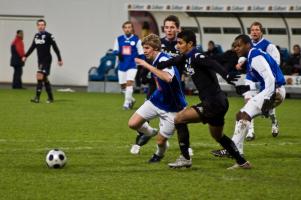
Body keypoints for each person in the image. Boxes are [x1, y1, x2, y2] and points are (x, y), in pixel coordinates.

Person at [157, 30, 250, 170]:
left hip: (213, 103)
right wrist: (159, 65)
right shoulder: (186, 57)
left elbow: (213, 63)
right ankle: (242, 162)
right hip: (219, 102)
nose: (178, 46)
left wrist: (228, 76)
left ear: (190, 44)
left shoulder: (196, 55)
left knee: (179, 119)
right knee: (218, 136)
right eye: (177, 43)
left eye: (180, 43)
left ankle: (185, 158)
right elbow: (175, 60)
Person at [212, 34, 286, 159]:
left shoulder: (255, 55)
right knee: (240, 115)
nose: (236, 48)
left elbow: (270, 78)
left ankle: (232, 150)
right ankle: (237, 151)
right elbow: (264, 80)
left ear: (248, 45)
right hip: (272, 90)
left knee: (245, 115)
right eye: (235, 46)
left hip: (275, 91)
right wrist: (247, 88)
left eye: (239, 46)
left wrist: (268, 98)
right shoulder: (252, 56)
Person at [128, 34, 187, 163]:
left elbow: (167, 78)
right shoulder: (154, 59)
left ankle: (159, 155)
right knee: (133, 124)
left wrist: (146, 65)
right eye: (143, 48)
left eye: (147, 48)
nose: (144, 51)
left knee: (160, 142)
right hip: (157, 100)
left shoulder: (164, 59)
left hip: (173, 107)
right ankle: (149, 132)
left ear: (155, 49)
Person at [246, 21, 281, 140]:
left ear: (261, 32)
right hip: (250, 78)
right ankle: (250, 131)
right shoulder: (248, 45)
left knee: (268, 107)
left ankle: (274, 122)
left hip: (264, 80)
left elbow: (276, 63)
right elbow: (244, 57)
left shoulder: (268, 46)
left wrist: (271, 79)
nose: (254, 32)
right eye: (252, 30)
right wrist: (241, 62)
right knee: (249, 103)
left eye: (257, 30)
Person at [22, 19, 63, 103]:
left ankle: (37, 98)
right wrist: (25, 56)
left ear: (45, 26)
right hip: (40, 60)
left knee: (39, 76)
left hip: (47, 60)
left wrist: (59, 59)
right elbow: (32, 47)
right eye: (39, 25)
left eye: (42, 25)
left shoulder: (49, 36)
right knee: (44, 79)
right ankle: (50, 97)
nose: (41, 26)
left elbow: (55, 48)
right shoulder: (36, 36)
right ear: (37, 26)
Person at [113, 21, 144, 110]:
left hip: (132, 65)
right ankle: (131, 99)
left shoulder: (136, 40)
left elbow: (141, 53)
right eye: (125, 27)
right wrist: (118, 53)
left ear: (132, 28)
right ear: (123, 29)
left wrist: (143, 64)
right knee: (123, 87)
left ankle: (126, 104)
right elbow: (115, 50)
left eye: (129, 27)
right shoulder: (118, 39)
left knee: (129, 83)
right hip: (122, 65)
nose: (127, 29)